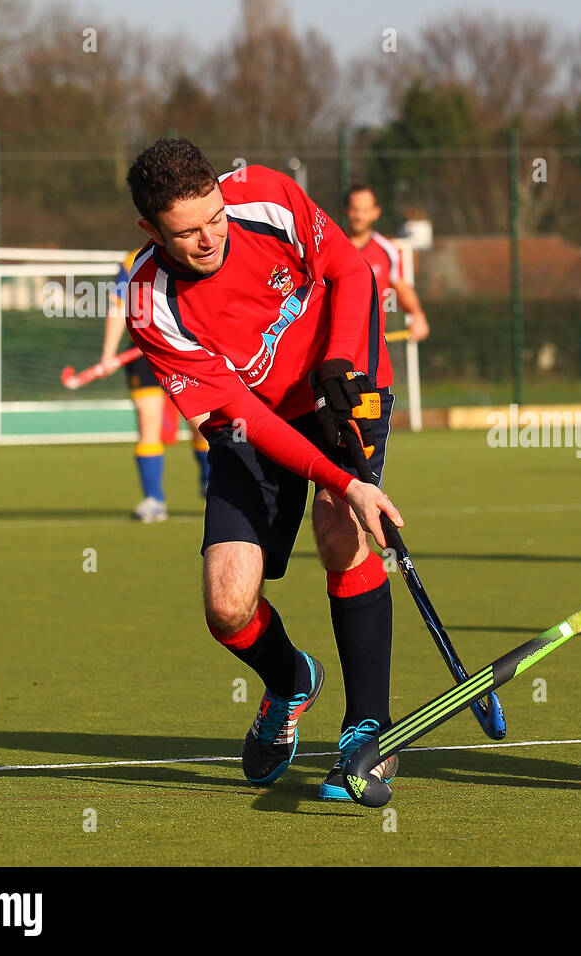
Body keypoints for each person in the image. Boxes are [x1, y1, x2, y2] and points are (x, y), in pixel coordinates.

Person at [123, 138, 404, 799]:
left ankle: (369, 727)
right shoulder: (148, 302)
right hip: (253, 423)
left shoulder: (268, 196)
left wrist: (339, 364)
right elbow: (237, 414)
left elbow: (351, 272)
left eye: (214, 218)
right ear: (150, 229)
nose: (208, 239)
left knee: (340, 532)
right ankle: (290, 681)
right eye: (186, 233)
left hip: (343, 382)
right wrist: (346, 481)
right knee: (226, 605)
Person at [100, 247, 210, 523]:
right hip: (143, 355)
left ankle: (212, 484)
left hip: (186, 352)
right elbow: (118, 307)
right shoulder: (131, 261)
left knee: (201, 424)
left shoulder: (190, 252)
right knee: (148, 423)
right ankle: (153, 500)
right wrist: (108, 355)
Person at [343, 184, 430, 344]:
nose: (359, 216)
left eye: (365, 210)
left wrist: (417, 314)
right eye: (355, 209)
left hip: (374, 350)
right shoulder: (333, 247)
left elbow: (401, 287)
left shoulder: (387, 249)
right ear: (346, 210)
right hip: (336, 351)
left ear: (376, 212)